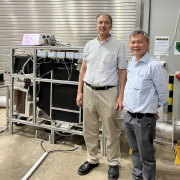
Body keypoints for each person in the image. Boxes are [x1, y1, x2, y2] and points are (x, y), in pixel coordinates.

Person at [76, 13, 127, 180]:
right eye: (100, 22)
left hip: (108, 92)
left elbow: (122, 72)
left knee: (111, 130)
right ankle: (92, 159)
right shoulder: (89, 45)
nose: (102, 25)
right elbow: (83, 69)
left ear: (111, 26)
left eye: (106, 23)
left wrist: (121, 96)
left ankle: (113, 162)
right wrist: (80, 91)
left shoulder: (118, 46)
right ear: (96, 25)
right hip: (89, 90)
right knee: (89, 129)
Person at [123, 30, 169, 180]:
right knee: (135, 151)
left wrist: (151, 108)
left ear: (147, 44)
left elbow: (163, 94)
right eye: (133, 42)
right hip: (128, 117)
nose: (135, 45)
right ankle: (137, 175)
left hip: (143, 120)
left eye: (139, 42)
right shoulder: (131, 63)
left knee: (146, 155)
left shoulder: (154, 66)